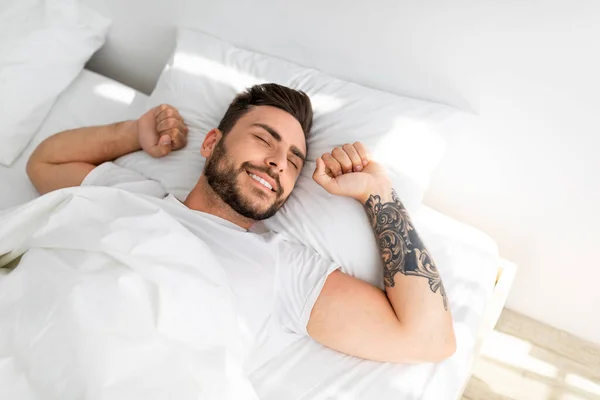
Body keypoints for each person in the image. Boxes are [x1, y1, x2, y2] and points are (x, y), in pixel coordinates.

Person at [26, 83, 455, 369]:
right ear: (211, 143)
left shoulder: (285, 268)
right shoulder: (132, 193)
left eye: (293, 160)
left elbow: (427, 338)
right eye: (264, 139)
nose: (277, 162)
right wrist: (132, 133)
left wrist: (378, 195)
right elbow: (44, 162)